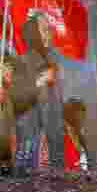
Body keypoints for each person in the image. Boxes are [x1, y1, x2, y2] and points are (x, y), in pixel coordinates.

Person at [13, 11, 66, 175]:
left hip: (53, 148)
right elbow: (17, 100)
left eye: (50, 29)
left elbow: (56, 109)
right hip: (30, 145)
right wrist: (39, 82)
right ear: (33, 33)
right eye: (44, 29)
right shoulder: (21, 62)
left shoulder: (54, 62)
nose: (50, 33)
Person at [63, 98, 91, 171]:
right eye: (80, 115)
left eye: (83, 115)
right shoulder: (66, 137)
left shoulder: (77, 134)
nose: (83, 118)